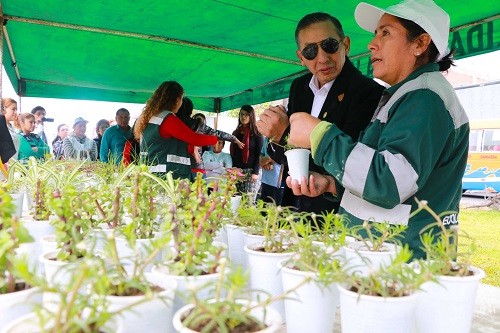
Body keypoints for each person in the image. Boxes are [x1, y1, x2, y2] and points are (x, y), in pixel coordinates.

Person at [287, 0, 469, 259]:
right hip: (383, 255)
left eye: (385, 33)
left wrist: (320, 134)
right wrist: (332, 184)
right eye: (375, 34)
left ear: (420, 43)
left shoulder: (425, 97)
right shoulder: (406, 95)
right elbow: (387, 171)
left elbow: (390, 183)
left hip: (403, 261)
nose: (372, 44)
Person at [257, 12, 384, 216]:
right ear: (301, 57)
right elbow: (286, 159)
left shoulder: (367, 91)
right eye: (310, 51)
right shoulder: (299, 87)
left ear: (346, 45)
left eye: (330, 45)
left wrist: (284, 134)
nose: (323, 57)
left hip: (334, 212)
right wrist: (273, 135)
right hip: (291, 207)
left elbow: (351, 162)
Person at [133, 81, 217, 180]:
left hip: (152, 173)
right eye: (181, 98)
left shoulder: (150, 117)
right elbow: (193, 138)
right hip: (167, 176)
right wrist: (214, 139)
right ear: (177, 100)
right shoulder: (167, 118)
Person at [176, 97, 244, 173]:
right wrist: (234, 138)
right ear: (190, 111)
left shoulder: (173, 124)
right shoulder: (197, 125)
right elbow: (217, 133)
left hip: (176, 165)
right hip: (195, 164)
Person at [230, 105, 264, 198]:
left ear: (251, 116)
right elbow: (233, 153)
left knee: (249, 202)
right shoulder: (235, 133)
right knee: (236, 200)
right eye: (241, 114)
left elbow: (260, 154)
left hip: (251, 171)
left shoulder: (257, 133)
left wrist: (256, 172)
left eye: (246, 114)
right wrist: (232, 170)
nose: (243, 117)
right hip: (237, 171)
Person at [258, 137, 284, 205]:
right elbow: (261, 155)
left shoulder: (285, 138)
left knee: (277, 213)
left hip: (279, 185)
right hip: (265, 181)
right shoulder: (267, 138)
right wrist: (265, 162)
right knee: (262, 211)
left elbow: (282, 158)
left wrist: (267, 159)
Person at [1, 98, 20, 162]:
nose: (15, 112)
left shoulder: (11, 127)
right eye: (13, 109)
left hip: (12, 166)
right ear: (3, 109)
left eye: (16, 109)